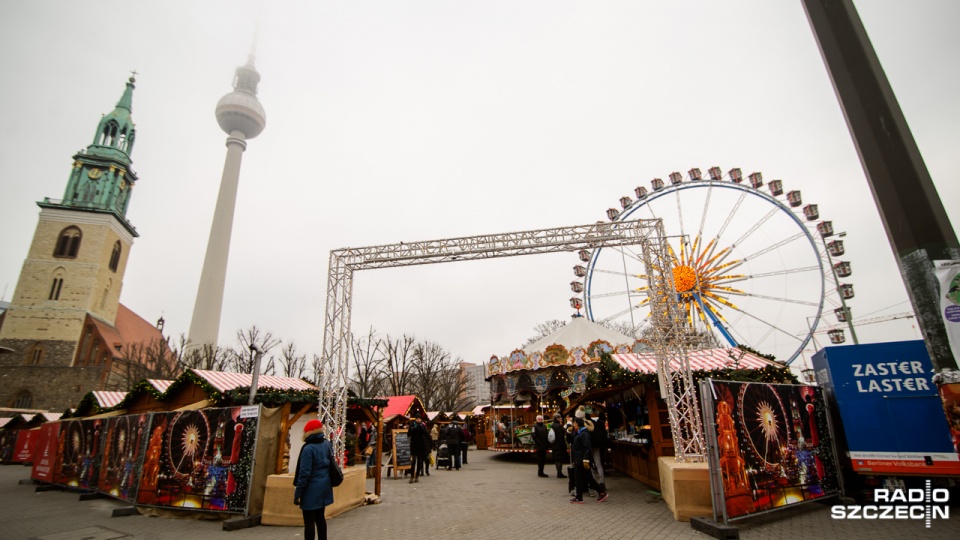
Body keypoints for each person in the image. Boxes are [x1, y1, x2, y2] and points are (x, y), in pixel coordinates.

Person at [294, 419, 335, 540]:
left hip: (311, 489)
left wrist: (298, 494)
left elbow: (304, 473)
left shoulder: (308, 448)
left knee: (309, 521)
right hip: (324, 486)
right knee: (320, 518)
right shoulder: (326, 444)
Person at [570, 416, 606, 504]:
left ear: (577, 424)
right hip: (580, 458)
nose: (573, 425)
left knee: (578, 478)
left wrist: (586, 459)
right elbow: (571, 441)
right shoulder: (579, 433)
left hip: (582, 459)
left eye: (574, 423)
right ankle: (601, 492)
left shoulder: (584, 434)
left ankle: (579, 497)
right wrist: (569, 432)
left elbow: (587, 447)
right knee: (588, 478)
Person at [590, 412, 609, 492]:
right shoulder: (600, 425)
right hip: (598, 446)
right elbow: (604, 436)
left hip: (591, 446)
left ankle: (593, 483)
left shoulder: (592, 425)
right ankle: (602, 482)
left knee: (590, 465)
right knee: (598, 464)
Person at [408, 418, 427, 483]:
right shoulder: (412, 425)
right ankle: (412, 476)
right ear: (415, 419)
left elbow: (426, 434)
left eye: (420, 419)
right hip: (413, 445)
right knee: (414, 460)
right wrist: (413, 429)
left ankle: (417, 476)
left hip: (421, 446)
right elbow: (409, 434)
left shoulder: (422, 425)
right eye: (417, 419)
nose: (419, 420)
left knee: (419, 461)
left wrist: (422, 428)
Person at [550, 413, 568, 478]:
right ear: (557, 418)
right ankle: (559, 473)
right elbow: (561, 437)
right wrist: (564, 446)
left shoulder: (553, 425)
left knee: (556, 459)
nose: (561, 419)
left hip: (554, 444)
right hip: (559, 445)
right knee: (560, 459)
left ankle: (558, 472)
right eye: (559, 418)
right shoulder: (559, 426)